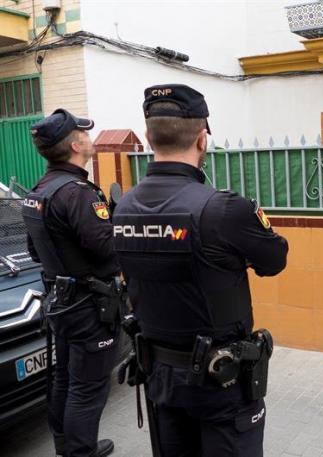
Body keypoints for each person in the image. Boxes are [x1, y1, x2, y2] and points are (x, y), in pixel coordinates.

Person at [112, 84, 288, 456]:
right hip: (220, 384)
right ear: (203, 140)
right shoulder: (223, 209)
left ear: (148, 136)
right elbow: (275, 260)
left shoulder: (122, 208)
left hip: (161, 378)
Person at [22, 109, 121, 457]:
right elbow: (109, 252)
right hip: (88, 307)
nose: (89, 137)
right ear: (76, 143)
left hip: (61, 303)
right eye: (85, 133)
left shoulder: (39, 191)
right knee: (87, 389)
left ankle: (67, 446)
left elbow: (36, 252)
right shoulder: (78, 193)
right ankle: (81, 452)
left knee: (64, 377)